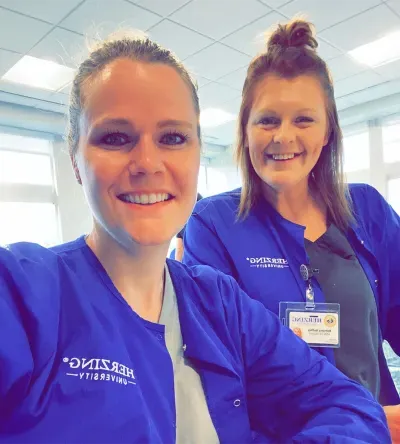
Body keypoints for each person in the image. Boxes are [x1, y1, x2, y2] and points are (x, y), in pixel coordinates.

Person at [0, 32, 391, 444]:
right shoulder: (24, 295)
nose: (148, 163)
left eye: (173, 138)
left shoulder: (219, 305)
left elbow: (350, 406)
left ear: (197, 153)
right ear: (75, 159)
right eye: (115, 137)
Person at [183, 19, 400, 441]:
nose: (284, 137)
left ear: (327, 130)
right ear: (245, 130)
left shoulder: (367, 210)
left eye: (304, 119)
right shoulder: (213, 226)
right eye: (267, 120)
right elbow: (220, 379)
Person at [175, 192, 202, 261]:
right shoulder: (206, 224)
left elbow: (179, 250)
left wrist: (177, 268)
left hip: (191, 264)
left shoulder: (181, 225)